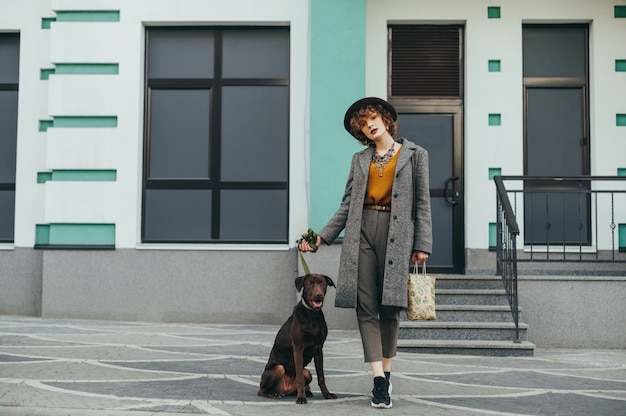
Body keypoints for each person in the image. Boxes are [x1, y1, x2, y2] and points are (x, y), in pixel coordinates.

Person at [299, 97, 433, 409]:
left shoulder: (416, 155)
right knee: (366, 307)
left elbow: (423, 202)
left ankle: (386, 371)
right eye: (362, 123)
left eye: (372, 117)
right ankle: (378, 380)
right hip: (361, 233)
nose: (369, 124)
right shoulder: (360, 160)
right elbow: (347, 205)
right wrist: (321, 237)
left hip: (398, 234)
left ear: (386, 119)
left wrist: (423, 243)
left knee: (390, 307)